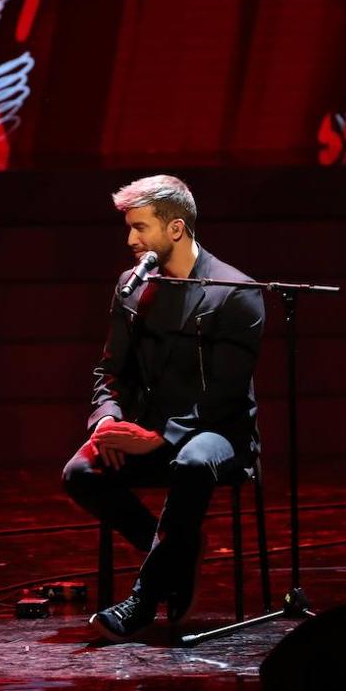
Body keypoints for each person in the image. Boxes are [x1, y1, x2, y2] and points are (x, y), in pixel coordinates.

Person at [62, 175, 264, 642]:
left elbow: (224, 393)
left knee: (191, 462)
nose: (130, 239)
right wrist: (108, 420)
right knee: (79, 472)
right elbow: (109, 371)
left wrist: (161, 437)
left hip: (217, 430)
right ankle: (179, 552)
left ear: (175, 229)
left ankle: (144, 599)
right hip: (146, 426)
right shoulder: (133, 287)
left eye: (140, 227)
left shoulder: (234, 292)